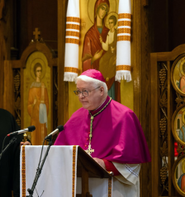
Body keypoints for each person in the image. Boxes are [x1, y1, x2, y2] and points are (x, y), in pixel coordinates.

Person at [54, 69, 151, 197]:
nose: (81, 96)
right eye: (78, 91)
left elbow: (132, 164)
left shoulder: (124, 116)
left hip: (114, 188)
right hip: (81, 188)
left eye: (85, 91)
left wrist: (104, 164)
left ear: (101, 91)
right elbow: (61, 153)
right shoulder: (76, 117)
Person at [27, 63, 49, 145]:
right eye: (37, 71)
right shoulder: (32, 87)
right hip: (35, 115)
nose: (39, 73)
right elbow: (29, 104)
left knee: (42, 134)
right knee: (35, 134)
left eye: (40, 71)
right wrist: (34, 104)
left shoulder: (43, 86)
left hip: (42, 114)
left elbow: (47, 102)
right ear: (35, 72)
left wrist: (44, 106)